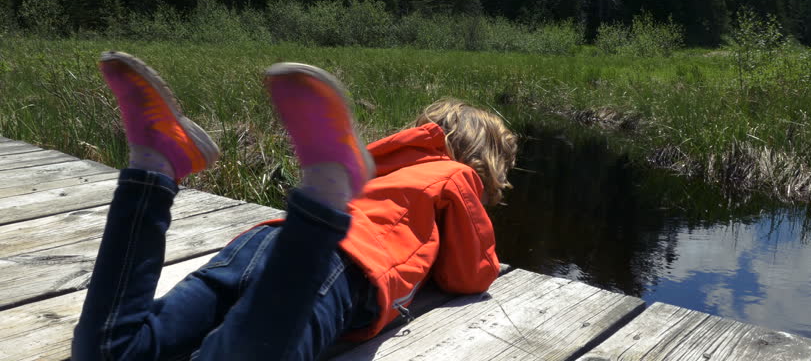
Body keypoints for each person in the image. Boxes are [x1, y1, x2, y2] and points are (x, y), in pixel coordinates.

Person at [72, 51, 517, 361]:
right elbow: (469, 274)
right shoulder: (455, 176)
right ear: (486, 161)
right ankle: (322, 195)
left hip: (261, 244)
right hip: (336, 265)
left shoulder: (379, 166)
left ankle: (154, 167)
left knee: (111, 350)